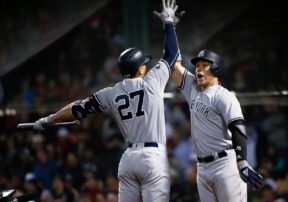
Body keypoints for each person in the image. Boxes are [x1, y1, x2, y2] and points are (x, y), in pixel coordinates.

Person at [33, 0, 180, 201]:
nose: (146, 66)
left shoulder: (111, 93)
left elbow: (78, 108)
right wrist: (169, 22)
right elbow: (172, 54)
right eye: (144, 64)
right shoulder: (152, 81)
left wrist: (49, 119)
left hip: (128, 159)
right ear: (139, 69)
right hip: (152, 157)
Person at [170, 49, 264, 201]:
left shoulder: (224, 95)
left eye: (205, 65)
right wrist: (169, 26)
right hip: (202, 167)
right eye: (197, 65)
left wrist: (242, 162)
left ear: (216, 68)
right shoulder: (192, 89)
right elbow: (173, 65)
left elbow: (237, 127)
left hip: (224, 164)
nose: (199, 68)